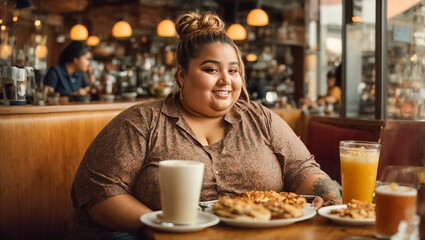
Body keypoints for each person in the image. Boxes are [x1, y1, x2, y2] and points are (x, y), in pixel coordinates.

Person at [69, 11, 341, 239]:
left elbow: (302, 169)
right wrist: (164, 227)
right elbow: (100, 193)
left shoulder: (262, 119)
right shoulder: (141, 122)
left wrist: (327, 196)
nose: (226, 80)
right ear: (182, 74)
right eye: (211, 69)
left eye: (233, 71)